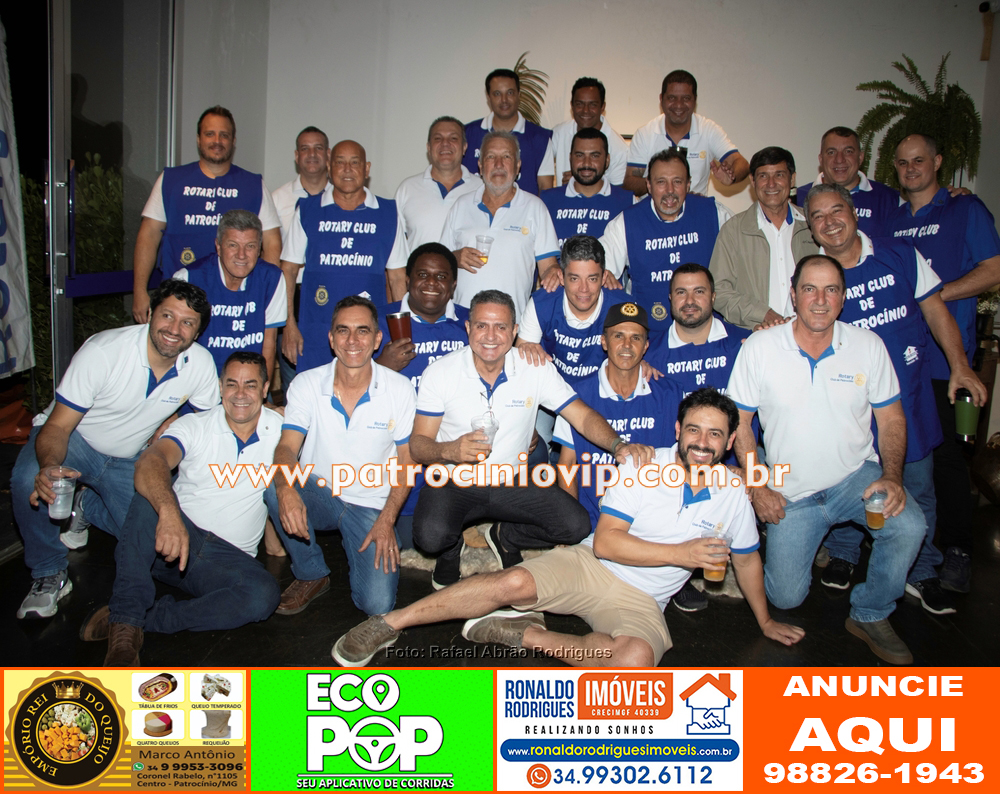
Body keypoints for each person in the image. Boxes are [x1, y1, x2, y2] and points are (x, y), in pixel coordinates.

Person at [332, 389, 804, 668]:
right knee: (511, 583)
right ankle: (387, 624)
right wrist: (682, 555)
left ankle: (525, 635)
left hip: (644, 600)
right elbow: (608, 543)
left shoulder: (733, 492)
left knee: (634, 660)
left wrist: (765, 621)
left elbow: (747, 560)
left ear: (729, 442)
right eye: (695, 430)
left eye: (715, 434)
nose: (703, 442)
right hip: (593, 565)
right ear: (678, 430)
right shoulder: (642, 466)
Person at [727, 255, 926, 664]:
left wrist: (892, 476)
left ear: (843, 296)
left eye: (831, 289)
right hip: (791, 491)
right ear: (793, 294)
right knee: (785, 598)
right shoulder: (761, 347)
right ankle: (782, 538)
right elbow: (740, 423)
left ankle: (871, 612)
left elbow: (891, 419)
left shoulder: (868, 346)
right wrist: (757, 486)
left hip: (855, 479)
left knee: (909, 525)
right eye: (809, 289)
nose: (820, 300)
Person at [805, 183, 986, 614]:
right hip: (848, 407)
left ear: (854, 212)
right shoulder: (813, 275)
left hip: (908, 400)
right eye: (818, 216)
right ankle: (845, 553)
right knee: (846, 482)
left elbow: (935, 310)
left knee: (917, 484)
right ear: (810, 229)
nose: (830, 222)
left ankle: (922, 569)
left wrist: (960, 365)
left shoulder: (901, 253)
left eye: (836, 210)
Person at [409, 289, 655, 590]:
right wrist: (450, 450)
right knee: (430, 536)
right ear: (468, 327)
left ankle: (504, 536)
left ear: (514, 331)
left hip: (512, 479)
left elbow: (581, 416)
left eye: (501, 327)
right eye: (482, 325)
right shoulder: (440, 373)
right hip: (454, 480)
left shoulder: (534, 369)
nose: (491, 336)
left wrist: (618, 445)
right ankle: (451, 550)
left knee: (575, 526)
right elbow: (418, 446)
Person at [13, 280, 219, 619]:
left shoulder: (200, 364)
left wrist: (175, 421)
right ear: (150, 314)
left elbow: (208, 423)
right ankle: (49, 573)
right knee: (28, 479)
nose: (174, 329)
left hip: (129, 458)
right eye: (167, 315)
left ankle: (86, 507)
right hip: (76, 440)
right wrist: (50, 466)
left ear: (197, 333)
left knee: (153, 541)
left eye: (187, 322)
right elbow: (59, 427)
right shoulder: (104, 351)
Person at [78, 352, 282, 665]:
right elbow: (153, 460)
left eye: (250, 385)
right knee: (150, 492)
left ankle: (147, 620)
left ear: (265, 388)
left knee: (263, 595)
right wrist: (169, 514)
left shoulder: (282, 431)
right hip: (173, 541)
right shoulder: (194, 425)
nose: (240, 393)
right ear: (220, 387)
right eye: (232, 384)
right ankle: (125, 627)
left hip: (226, 561)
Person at [887, 133, 1000, 594]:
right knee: (903, 456)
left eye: (919, 160)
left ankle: (957, 550)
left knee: (947, 458)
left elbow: (993, 269)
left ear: (937, 162)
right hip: (899, 361)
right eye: (902, 163)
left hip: (945, 360)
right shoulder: (892, 220)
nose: (911, 169)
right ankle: (909, 549)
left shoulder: (965, 209)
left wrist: (933, 294)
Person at [265, 296, 416, 616]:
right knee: (275, 485)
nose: (352, 340)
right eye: (343, 330)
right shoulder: (306, 383)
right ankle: (311, 573)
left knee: (377, 605)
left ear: (377, 339)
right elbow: (287, 447)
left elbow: (407, 462)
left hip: (372, 504)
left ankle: (366, 539)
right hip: (320, 494)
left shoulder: (400, 388)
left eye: (363, 331)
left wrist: (387, 520)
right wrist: (286, 489)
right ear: (331, 338)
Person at [132, 106, 281, 323]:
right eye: (210, 134)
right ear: (198, 139)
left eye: (224, 135)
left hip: (236, 304)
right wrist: (139, 291)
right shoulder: (171, 181)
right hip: (179, 302)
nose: (217, 141)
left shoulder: (253, 185)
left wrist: (264, 291)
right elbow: (148, 235)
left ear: (233, 141)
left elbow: (272, 242)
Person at [279, 140, 408, 374]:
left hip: (369, 333)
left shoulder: (388, 212)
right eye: (340, 163)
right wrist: (288, 325)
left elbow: (398, 278)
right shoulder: (308, 210)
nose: (347, 169)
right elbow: (288, 270)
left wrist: (402, 335)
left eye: (355, 163)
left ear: (366, 169)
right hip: (316, 330)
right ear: (329, 167)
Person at [374, 243, 469, 546]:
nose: (431, 283)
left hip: (454, 436)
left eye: (441, 276)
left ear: (453, 285)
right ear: (408, 279)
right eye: (422, 274)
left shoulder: (470, 323)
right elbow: (344, 381)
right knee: (411, 539)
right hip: (396, 440)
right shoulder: (381, 320)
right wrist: (380, 366)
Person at [602, 150, 732, 327]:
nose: (670, 191)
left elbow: (743, 261)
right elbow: (599, 271)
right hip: (649, 332)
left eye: (677, 182)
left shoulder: (714, 213)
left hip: (707, 330)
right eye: (661, 182)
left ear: (688, 184)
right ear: (649, 185)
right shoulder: (626, 222)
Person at [440, 131, 559, 322]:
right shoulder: (461, 205)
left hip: (511, 324)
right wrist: (454, 258)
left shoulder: (535, 208)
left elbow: (548, 268)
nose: (498, 164)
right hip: (462, 323)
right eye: (490, 157)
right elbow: (439, 263)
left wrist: (554, 272)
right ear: (480, 166)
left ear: (518, 165)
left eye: (506, 157)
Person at [711, 147, 819, 329]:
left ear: (792, 179)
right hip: (756, 336)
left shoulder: (813, 225)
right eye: (763, 176)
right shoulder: (733, 230)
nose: (771, 184)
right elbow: (718, 291)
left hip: (811, 333)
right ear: (752, 181)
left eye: (779, 175)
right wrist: (762, 314)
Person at [174, 209, 287, 379]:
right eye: (233, 245)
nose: (241, 255)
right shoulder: (189, 279)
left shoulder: (272, 278)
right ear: (218, 246)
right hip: (199, 379)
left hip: (248, 382)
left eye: (250, 246)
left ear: (259, 249)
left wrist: (262, 390)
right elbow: (177, 341)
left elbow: (268, 343)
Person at [516, 235, 627, 385]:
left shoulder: (622, 308)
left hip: (602, 391)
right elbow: (521, 361)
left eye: (592, 279)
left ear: (604, 277)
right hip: (551, 390)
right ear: (561, 277)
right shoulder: (541, 304)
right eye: (574, 278)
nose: (584, 289)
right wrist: (526, 351)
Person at [271, 127, 332, 389]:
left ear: (328, 154)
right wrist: (287, 322)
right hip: (293, 298)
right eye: (305, 149)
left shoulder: (344, 197)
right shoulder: (277, 199)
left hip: (333, 296)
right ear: (296, 156)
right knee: (297, 384)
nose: (312, 154)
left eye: (318, 148)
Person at [623, 70, 749, 197]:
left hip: (695, 207)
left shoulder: (708, 130)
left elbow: (741, 163)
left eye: (686, 98)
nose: (679, 105)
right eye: (672, 98)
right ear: (661, 99)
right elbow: (630, 182)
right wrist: (660, 184)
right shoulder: (645, 134)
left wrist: (732, 176)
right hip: (653, 208)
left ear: (695, 100)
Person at [645, 264, 749, 396]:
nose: (689, 301)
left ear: (713, 297)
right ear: (670, 298)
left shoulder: (744, 344)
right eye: (681, 292)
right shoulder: (647, 356)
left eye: (699, 291)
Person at [394, 117, 483, 248]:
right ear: (429, 148)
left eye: (453, 138)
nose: (445, 143)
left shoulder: (482, 189)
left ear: (464, 147)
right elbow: (395, 245)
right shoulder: (407, 189)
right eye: (438, 138)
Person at [462, 68, 555, 195]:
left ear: (519, 95)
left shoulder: (540, 139)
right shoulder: (467, 134)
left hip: (524, 208)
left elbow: (546, 191)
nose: (504, 100)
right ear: (488, 97)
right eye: (497, 94)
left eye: (510, 93)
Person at [794, 127, 900, 238]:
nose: (839, 159)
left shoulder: (890, 199)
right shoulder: (798, 199)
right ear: (821, 159)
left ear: (860, 157)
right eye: (831, 152)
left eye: (848, 152)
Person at [540, 128, 633, 250]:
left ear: (607, 160)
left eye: (595, 156)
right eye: (580, 155)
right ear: (570, 158)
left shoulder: (628, 202)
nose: (586, 163)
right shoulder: (546, 201)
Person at [550, 77, 629, 186]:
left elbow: (618, 193)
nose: (585, 110)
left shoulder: (619, 149)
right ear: (572, 106)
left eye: (592, 105)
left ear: (602, 107)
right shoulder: (558, 133)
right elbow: (537, 165)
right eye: (579, 104)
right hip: (562, 197)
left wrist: (583, 180)